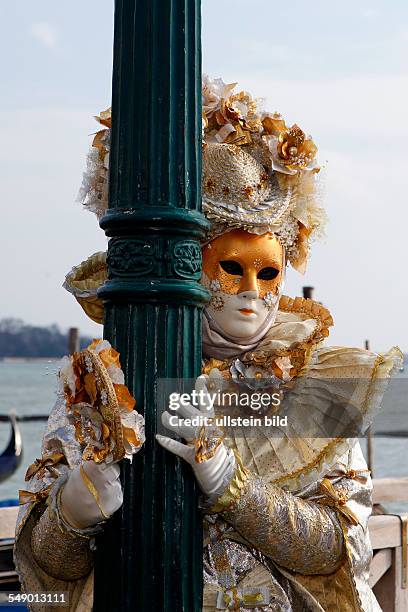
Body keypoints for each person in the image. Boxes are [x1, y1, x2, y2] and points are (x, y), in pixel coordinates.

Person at [14, 76, 401, 611]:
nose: (249, 292)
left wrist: (231, 484)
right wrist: (72, 514)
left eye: (267, 272)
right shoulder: (102, 382)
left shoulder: (315, 385)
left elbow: (342, 548)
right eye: (230, 267)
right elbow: (46, 567)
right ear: (190, 264)